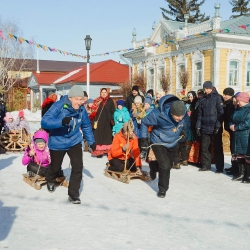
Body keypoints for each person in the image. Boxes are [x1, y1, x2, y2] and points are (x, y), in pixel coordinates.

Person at [41, 85, 96, 204]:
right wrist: (60, 122)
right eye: (77, 99)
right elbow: (45, 122)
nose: (79, 102)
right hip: (58, 141)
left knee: (78, 167)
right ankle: (50, 179)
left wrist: (91, 142)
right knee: (55, 167)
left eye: (81, 99)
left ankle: (73, 194)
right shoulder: (59, 105)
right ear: (70, 98)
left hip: (74, 141)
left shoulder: (81, 109)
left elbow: (86, 125)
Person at [141, 95, 187, 198]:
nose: (180, 118)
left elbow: (182, 123)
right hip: (158, 142)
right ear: (171, 113)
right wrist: (144, 139)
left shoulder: (182, 113)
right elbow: (144, 122)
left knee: (168, 166)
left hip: (173, 142)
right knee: (165, 166)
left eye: (182, 116)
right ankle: (163, 189)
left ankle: (153, 166)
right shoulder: (157, 114)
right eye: (177, 117)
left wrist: (182, 131)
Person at [196, 81, 224, 173]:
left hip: (215, 127)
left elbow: (221, 113)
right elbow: (199, 114)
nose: (206, 90)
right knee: (205, 148)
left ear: (211, 88)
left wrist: (218, 127)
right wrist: (198, 126)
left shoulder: (217, 98)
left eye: (207, 88)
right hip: (205, 127)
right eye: (205, 89)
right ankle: (206, 165)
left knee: (217, 148)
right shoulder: (202, 99)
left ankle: (219, 167)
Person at [229, 92, 250, 182]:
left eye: (239, 101)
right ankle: (241, 173)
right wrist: (230, 125)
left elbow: (247, 123)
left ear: (244, 100)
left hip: (246, 136)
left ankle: (248, 175)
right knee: (239, 156)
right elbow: (231, 119)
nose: (237, 103)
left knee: (247, 156)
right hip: (237, 135)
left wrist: (236, 127)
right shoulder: (237, 109)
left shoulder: (248, 110)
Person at [89, 88, 115, 158]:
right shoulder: (97, 101)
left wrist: (112, 119)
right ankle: (99, 152)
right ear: (100, 93)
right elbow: (93, 111)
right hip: (98, 121)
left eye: (105, 92)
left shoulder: (110, 101)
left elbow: (113, 111)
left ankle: (107, 151)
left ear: (107, 93)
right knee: (98, 136)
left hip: (107, 121)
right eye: (102, 92)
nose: (103, 93)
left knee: (106, 136)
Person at [222, 88, 236, 175]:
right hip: (229, 128)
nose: (224, 96)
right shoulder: (226, 103)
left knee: (234, 148)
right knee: (232, 148)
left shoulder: (232, 104)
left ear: (230, 95)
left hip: (234, 129)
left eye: (226, 94)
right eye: (224, 94)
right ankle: (233, 166)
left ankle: (236, 167)